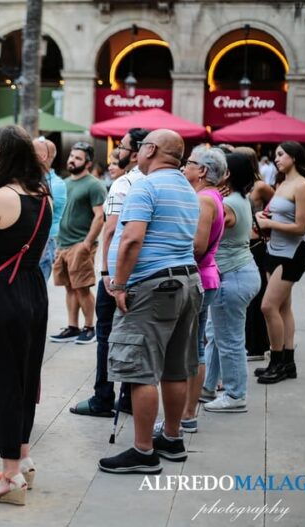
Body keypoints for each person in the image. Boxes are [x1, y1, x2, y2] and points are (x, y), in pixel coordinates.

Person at [98, 129, 201, 475]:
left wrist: (120, 284)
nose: (137, 153)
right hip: (186, 281)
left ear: (151, 149)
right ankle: (171, 437)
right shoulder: (187, 187)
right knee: (174, 367)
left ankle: (143, 450)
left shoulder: (146, 184)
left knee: (140, 369)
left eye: (140, 147)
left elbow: (131, 239)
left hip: (153, 287)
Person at [0, 125, 51, 506]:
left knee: (2, 378)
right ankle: (22, 456)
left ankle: (11, 474)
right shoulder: (43, 195)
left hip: (3, 294)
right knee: (25, 373)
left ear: (0, 152)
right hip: (34, 289)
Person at [70, 128, 149, 417]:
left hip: (119, 271)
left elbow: (112, 228)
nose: (118, 151)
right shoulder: (163, 181)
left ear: (138, 150)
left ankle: (103, 398)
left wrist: (106, 272)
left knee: (105, 334)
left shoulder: (123, 183)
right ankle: (128, 399)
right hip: (148, 272)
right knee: (135, 336)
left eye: (124, 146)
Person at [202, 152, 261, 412]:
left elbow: (204, 233)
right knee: (216, 334)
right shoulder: (239, 198)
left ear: (227, 174)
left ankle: (236, 395)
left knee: (229, 340)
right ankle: (207, 387)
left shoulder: (226, 205)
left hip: (233, 276)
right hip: (241, 272)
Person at [174, 146, 226, 431]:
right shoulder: (210, 197)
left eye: (189, 163)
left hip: (201, 279)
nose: (184, 167)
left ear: (203, 171)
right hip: (207, 277)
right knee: (195, 348)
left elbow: (198, 245)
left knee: (192, 350)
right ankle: (187, 412)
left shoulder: (204, 199)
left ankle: (187, 414)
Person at [255, 141, 305, 384]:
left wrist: (269, 224)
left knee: (268, 306)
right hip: (274, 250)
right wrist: (263, 217)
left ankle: (277, 362)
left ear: (294, 158)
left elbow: (301, 227)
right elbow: (272, 212)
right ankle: (288, 363)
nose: (276, 158)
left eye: (281, 154)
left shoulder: (301, 185)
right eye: (276, 154)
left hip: (293, 252)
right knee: (282, 307)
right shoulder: (281, 183)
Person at [49, 141, 107, 345]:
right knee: (69, 287)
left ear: (88, 163)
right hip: (63, 244)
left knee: (82, 288)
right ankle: (72, 327)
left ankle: (90, 328)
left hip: (80, 244)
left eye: (78, 158)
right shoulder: (65, 183)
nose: (72, 160)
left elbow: (100, 216)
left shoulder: (94, 185)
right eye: (72, 156)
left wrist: (87, 243)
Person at [235, 146, 274, 362]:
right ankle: (250, 341)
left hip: (256, 244)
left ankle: (257, 344)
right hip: (241, 244)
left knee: (257, 295)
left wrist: (265, 221)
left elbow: (281, 205)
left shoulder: (260, 186)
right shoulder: (238, 185)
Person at [35, 138, 66, 281]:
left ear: (43, 157)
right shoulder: (35, 180)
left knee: (36, 290)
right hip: (39, 240)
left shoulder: (56, 184)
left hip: (45, 241)